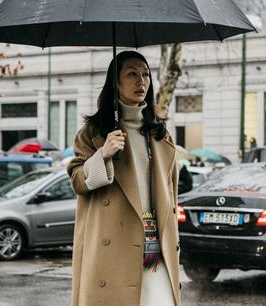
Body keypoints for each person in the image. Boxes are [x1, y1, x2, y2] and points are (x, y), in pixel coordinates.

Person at [67, 51, 181, 306]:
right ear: (115, 82)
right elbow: (77, 181)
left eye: (146, 74)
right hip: (112, 252)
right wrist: (103, 154)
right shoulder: (93, 132)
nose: (141, 81)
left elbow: (171, 196)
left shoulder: (160, 134)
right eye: (131, 74)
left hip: (155, 248)